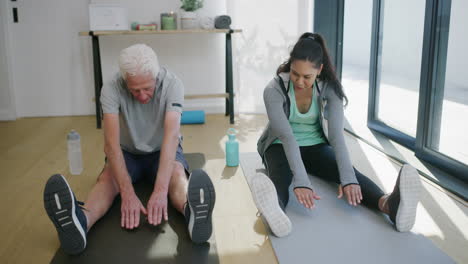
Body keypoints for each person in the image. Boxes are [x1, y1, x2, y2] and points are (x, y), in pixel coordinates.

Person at [43, 44, 216, 254]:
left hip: (161, 149)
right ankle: (81, 222)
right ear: (125, 80)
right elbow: (111, 145)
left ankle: (192, 214)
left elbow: (171, 138)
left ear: (157, 76)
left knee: (177, 173)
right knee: (107, 179)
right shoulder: (111, 88)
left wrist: (160, 191)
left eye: (147, 88)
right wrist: (127, 194)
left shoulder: (173, 84)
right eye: (135, 90)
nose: (142, 96)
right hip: (126, 152)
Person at [252, 32, 422, 237]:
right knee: (281, 176)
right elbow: (287, 137)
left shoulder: (329, 89)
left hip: (315, 145)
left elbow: (336, 136)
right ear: (290, 66)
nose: (299, 81)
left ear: (320, 70)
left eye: (307, 76)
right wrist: (302, 181)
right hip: (280, 144)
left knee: (349, 172)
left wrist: (348, 178)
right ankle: (274, 210)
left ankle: (389, 205)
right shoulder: (274, 88)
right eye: (295, 73)